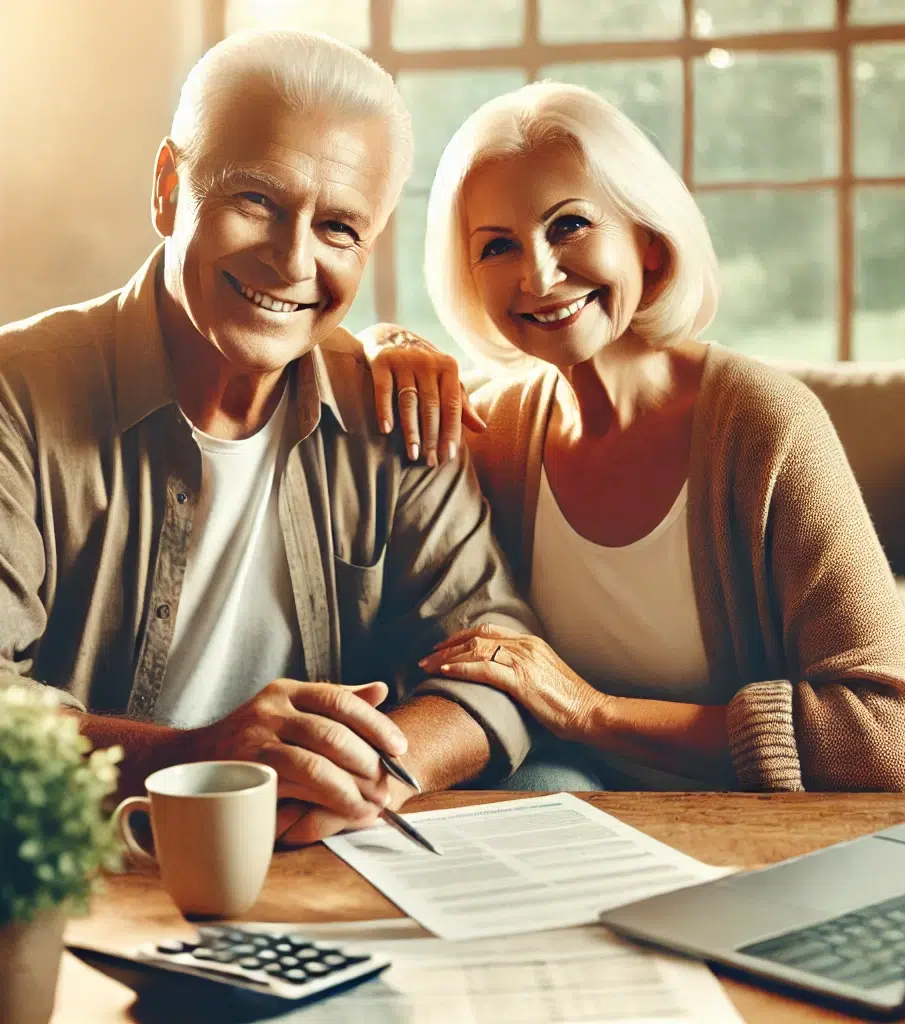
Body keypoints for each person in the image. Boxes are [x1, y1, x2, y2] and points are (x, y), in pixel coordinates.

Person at [0, 30, 541, 848]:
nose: (293, 260)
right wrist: (196, 763)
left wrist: (371, 773)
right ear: (167, 187)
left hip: (313, 850)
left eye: (338, 228)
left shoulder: (395, 409)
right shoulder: (16, 393)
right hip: (75, 860)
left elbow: (496, 660)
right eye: (256, 200)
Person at [360, 82, 905, 793]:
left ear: (651, 247)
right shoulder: (496, 434)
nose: (539, 274)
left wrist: (594, 712)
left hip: (749, 825)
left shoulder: (765, 426)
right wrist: (375, 345)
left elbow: (891, 743)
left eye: (569, 225)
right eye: (498, 246)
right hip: (575, 806)